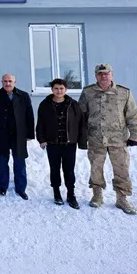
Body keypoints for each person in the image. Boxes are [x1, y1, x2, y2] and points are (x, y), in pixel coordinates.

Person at [79, 63, 137, 215]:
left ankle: (122, 198)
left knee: (122, 169)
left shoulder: (124, 93)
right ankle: (97, 195)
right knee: (96, 168)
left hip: (118, 139)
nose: (103, 76)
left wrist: (135, 135)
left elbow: (132, 115)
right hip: (96, 138)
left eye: (106, 73)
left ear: (111, 74)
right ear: (96, 76)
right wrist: (81, 136)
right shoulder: (88, 92)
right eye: (100, 74)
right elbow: (81, 116)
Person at [36, 78, 86, 209]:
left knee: (69, 170)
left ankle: (71, 194)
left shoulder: (73, 105)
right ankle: (56, 193)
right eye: (56, 88)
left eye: (61, 88)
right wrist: (41, 139)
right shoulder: (45, 105)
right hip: (53, 143)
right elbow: (40, 123)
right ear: (52, 90)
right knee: (54, 169)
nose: (59, 91)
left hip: (69, 144)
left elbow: (81, 123)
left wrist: (81, 141)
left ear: (66, 89)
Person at [0, 74, 34, 200]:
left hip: (18, 135)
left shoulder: (23, 96)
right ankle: (3, 186)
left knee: (20, 162)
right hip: (1, 134)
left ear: (15, 82)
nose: (7, 83)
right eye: (5, 81)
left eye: (10, 81)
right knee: (2, 162)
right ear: (1, 82)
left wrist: (30, 134)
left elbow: (29, 115)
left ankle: (21, 188)